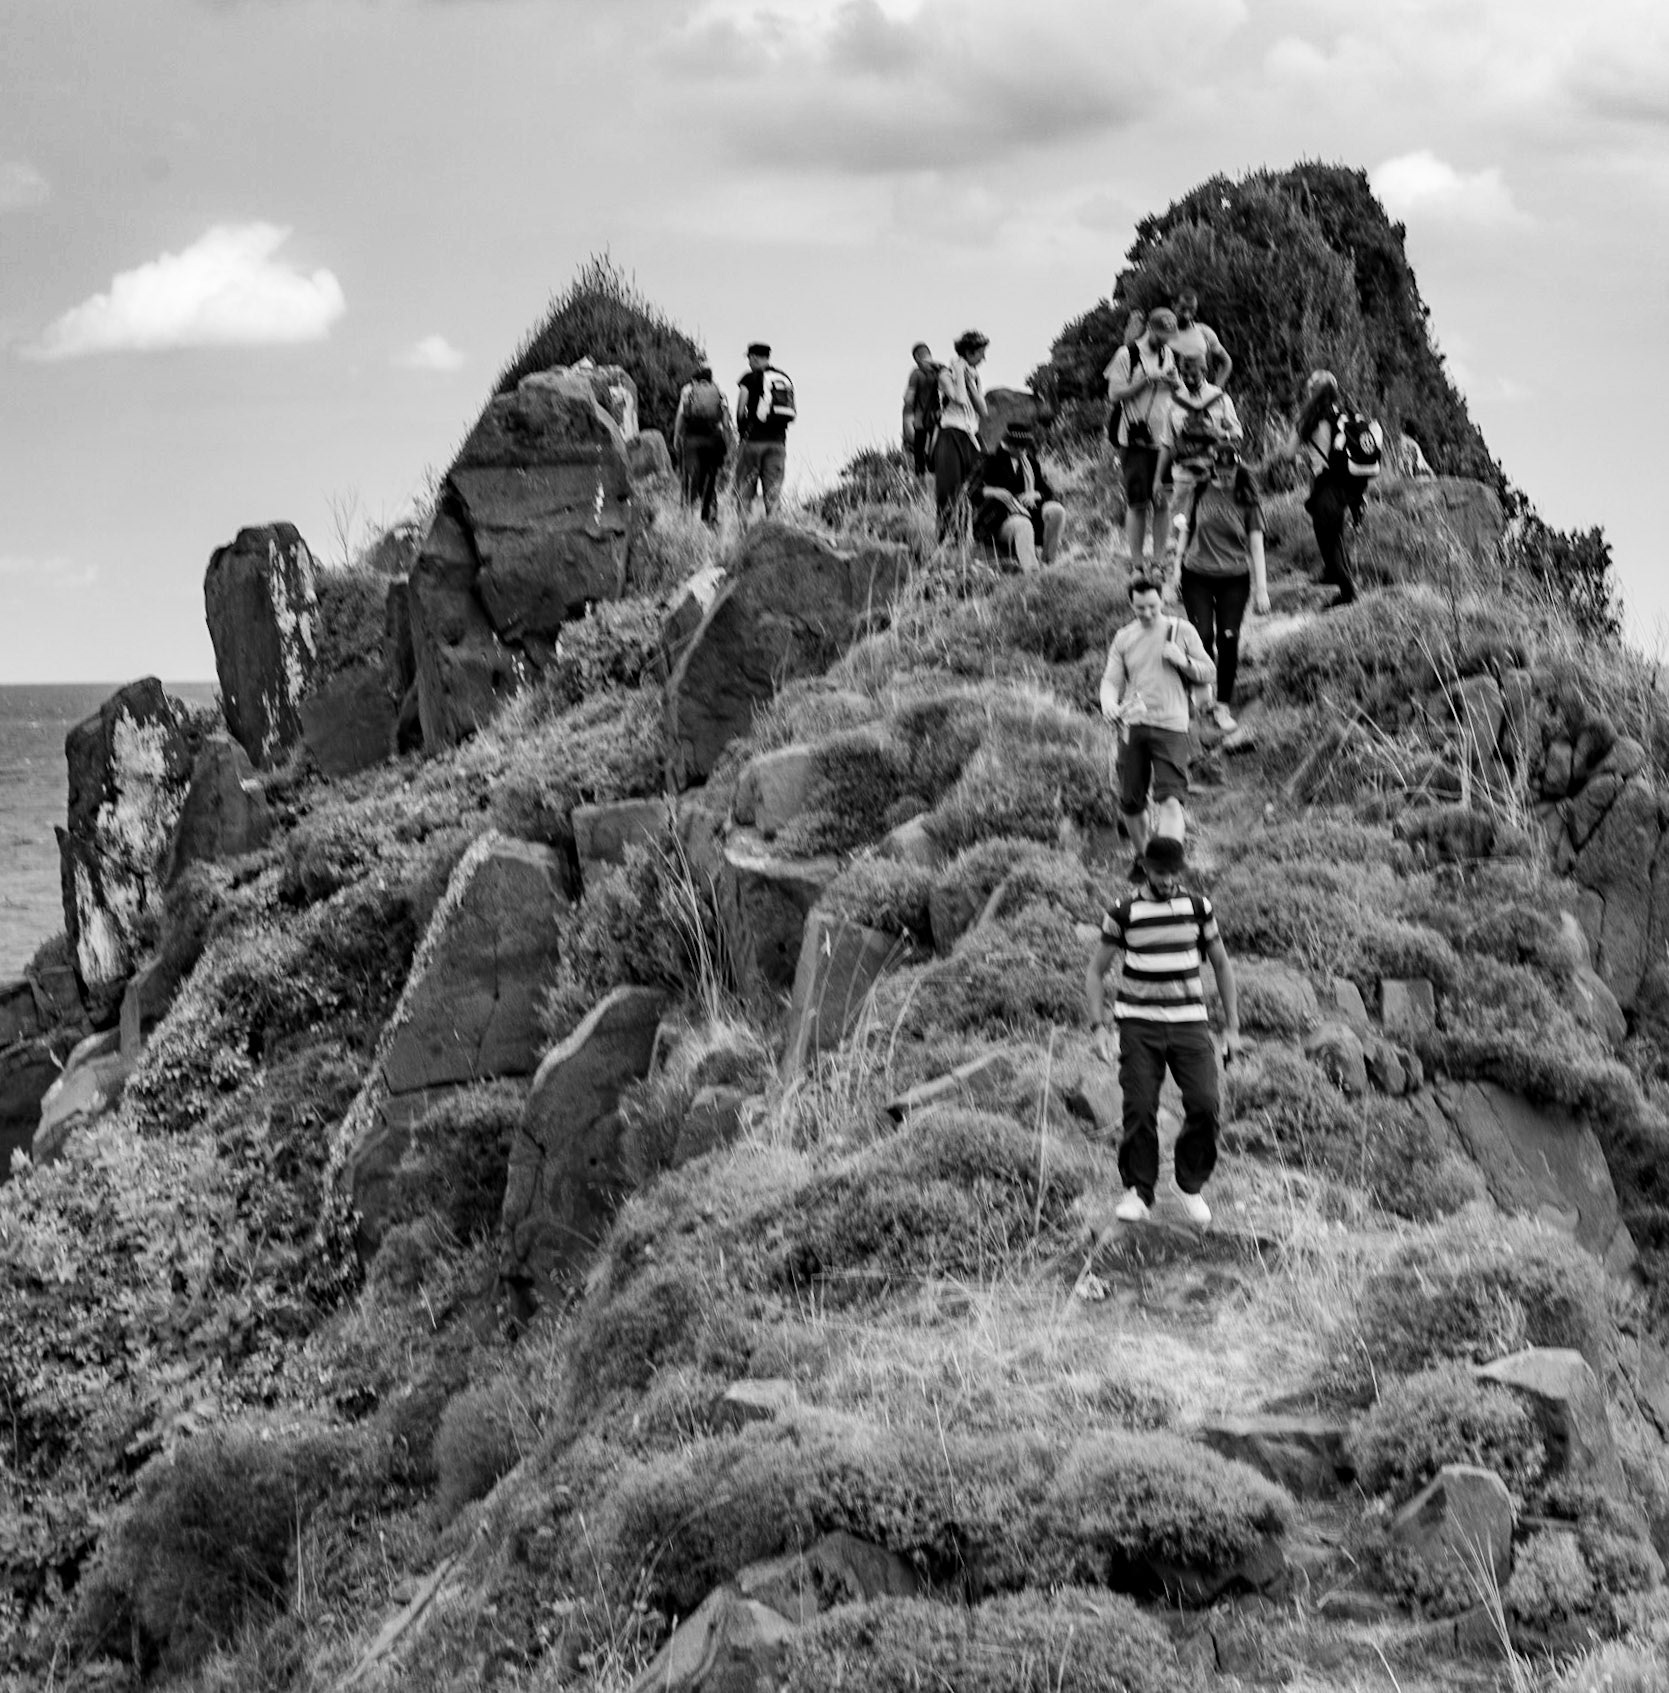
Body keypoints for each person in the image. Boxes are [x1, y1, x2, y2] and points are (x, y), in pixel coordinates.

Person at [1085, 832, 1242, 1225]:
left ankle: (1188, 1185)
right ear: (1145, 869)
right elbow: (1096, 971)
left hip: (1189, 1023)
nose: (1168, 879)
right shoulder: (1123, 912)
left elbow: (1222, 965)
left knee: (1205, 1103)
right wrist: (1098, 1027)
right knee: (1140, 1108)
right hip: (1139, 1026)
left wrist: (1232, 1027)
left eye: (1174, 872)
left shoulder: (1199, 909)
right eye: (1160, 873)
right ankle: (1139, 1191)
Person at [1099, 574, 1215, 874]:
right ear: (1131, 604)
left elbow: (1209, 671)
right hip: (1133, 725)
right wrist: (1108, 704)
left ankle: (1167, 867)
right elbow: (1111, 681)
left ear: (1162, 599)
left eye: (1153, 606)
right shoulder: (1124, 637)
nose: (1148, 613)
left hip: (1172, 725)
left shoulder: (1182, 630)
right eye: (1141, 608)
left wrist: (1183, 661)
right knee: (1130, 801)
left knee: (1171, 799)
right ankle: (1143, 859)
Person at [1164, 441, 1270, 734]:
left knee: (1228, 639)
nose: (1225, 475)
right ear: (1213, 467)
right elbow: (1186, 531)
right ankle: (1204, 700)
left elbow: (1257, 547)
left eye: (1230, 470)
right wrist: (1176, 570)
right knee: (1202, 636)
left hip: (1234, 577)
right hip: (1197, 574)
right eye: (1220, 470)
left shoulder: (1247, 499)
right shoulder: (1199, 491)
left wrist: (1262, 589)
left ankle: (1223, 704)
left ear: (1237, 467)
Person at [1105, 307, 1180, 567]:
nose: (1165, 341)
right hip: (1134, 439)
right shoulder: (1126, 355)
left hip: (1164, 439)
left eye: (1169, 336)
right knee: (1138, 503)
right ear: (1149, 328)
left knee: (1163, 502)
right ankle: (1137, 562)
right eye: (1161, 335)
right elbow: (1114, 394)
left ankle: (1158, 561)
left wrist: (1173, 382)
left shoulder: (1168, 354)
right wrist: (1145, 380)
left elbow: (1178, 389)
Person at [1281, 370, 1357, 609]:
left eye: (1309, 390)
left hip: (1324, 484)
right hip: (1344, 484)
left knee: (1330, 538)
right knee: (1334, 533)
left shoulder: (1308, 419)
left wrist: (1303, 452)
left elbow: (1288, 453)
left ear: (1313, 393)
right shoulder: (1342, 415)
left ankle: (1347, 593)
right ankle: (1332, 574)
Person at [1155, 349, 1241, 525]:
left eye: (1193, 375)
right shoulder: (1173, 402)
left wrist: (1220, 434)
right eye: (1184, 375)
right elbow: (1167, 444)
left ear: (1204, 371)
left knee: (1213, 527)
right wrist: (1157, 479)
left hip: (1215, 476)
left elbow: (1238, 434)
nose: (1188, 380)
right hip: (1183, 478)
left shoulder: (1220, 399)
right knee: (1179, 528)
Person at [973, 420, 1066, 568]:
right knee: (1023, 524)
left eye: (1025, 446)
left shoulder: (1031, 463)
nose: (1024, 450)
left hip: (1031, 513)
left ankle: (1048, 563)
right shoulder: (990, 462)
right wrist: (993, 491)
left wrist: (1034, 494)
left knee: (1057, 511)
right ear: (1009, 445)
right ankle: (1032, 572)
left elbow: (1048, 492)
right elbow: (971, 491)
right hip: (1001, 519)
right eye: (1020, 446)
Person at [933, 330, 989, 541]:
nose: (983, 358)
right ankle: (950, 541)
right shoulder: (945, 375)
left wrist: (970, 381)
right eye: (980, 353)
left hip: (972, 435)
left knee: (981, 486)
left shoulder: (974, 376)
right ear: (969, 352)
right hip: (951, 435)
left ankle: (979, 539)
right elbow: (960, 399)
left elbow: (983, 410)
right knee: (950, 489)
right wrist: (958, 372)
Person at [735, 341, 795, 517]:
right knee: (773, 495)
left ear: (754, 357)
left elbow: (740, 409)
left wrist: (742, 432)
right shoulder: (783, 378)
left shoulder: (749, 378)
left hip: (753, 442)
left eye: (749, 358)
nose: (748, 362)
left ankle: (744, 530)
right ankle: (774, 528)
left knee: (745, 492)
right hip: (777, 444)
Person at [671, 363, 735, 525]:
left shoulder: (688, 390)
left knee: (690, 480)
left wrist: (677, 436)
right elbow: (726, 423)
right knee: (709, 481)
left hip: (692, 439)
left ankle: (686, 521)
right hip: (713, 439)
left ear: (695, 380)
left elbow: (681, 416)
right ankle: (711, 519)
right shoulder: (719, 392)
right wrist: (728, 443)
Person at [1169, 288, 1232, 387]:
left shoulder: (1205, 333)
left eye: (1192, 310)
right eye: (1183, 309)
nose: (1187, 315)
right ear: (1173, 305)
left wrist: (1216, 389)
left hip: (1200, 394)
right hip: (1170, 394)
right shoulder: (1162, 335)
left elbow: (1226, 362)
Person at [901, 342, 941, 478]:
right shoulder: (940, 370)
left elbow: (908, 399)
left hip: (920, 422)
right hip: (937, 421)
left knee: (920, 461)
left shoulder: (916, 373)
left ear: (917, 358)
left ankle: (921, 484)